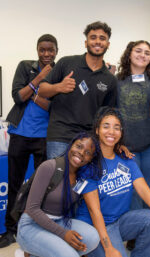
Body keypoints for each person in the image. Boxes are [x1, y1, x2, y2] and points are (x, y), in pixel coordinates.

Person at [76, 107, 150, 257]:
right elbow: (95, 211)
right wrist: (108, 248)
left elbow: (145, 191)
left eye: (116, 127)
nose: (111, 132)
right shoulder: (90, 163)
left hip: (118, 222)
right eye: (106, 126)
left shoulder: (126, 159)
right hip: (95, 227)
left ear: (121, 132)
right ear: (97, 130)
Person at [1, 34, 58, 248]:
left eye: (50, 50)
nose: (46, 54)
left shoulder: (59, 72)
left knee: (42, 186)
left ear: (56, 51)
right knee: (15, 184)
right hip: (20, 134)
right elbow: (17, 96)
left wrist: (32, 93)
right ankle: (10, 230)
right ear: (37, 50)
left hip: (45, 137)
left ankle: (38, 229)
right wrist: (39, 79)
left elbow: (55, 106)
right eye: (42, 50)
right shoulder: (25, 67)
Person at [39, 21, 117, 159]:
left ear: (108, 44)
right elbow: (42, 90)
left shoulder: (110, 79)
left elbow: (107, 114)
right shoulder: (66, 63)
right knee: (58, 179)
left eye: (102, 38)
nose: (97, 41)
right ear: (86, 43)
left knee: (83, 180)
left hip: (88, 139)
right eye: (93, 38)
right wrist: (59, 87)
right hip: (60, 135)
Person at [16, 132, 102, 257]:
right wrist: (63, 234)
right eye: (79, 146)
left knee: (93, 237)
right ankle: (32, 249)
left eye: (88, 153)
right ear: (71, 145)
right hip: (31, 225)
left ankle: (43, 252)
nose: (82, 153)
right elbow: (32, 209)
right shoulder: (50, 166)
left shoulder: (82, 177)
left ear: (91, 159)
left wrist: (120, 148)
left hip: (59, 221)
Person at [117, 41, 150, 210]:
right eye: (138, 51)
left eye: (147, 53)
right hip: (128, 146)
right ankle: (136, 233)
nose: (142, 55)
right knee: (133, 190)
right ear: (129, 53)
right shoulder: (117, 80)